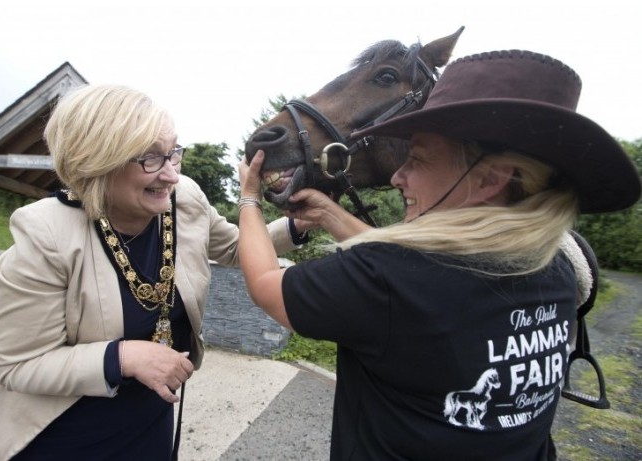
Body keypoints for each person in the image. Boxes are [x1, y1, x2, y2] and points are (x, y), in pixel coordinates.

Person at [237, 50, 641, 460]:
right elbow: (413, 264)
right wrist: (329, 213)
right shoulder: (556, 267)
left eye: (417, 158)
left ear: (490, 179)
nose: (398, 176)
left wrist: (249, 200)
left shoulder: (388, 278)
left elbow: (266, 284)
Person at [0, 84, 310, 460]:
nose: (170, 174)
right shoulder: (45, 232)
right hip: (65, 430)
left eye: (173, 153)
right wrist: (123, 358)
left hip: (149, 415)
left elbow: (237, 248)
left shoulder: (183, 198)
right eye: (150, 159)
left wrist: (297, 225)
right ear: (97, 161)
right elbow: (21, 364)